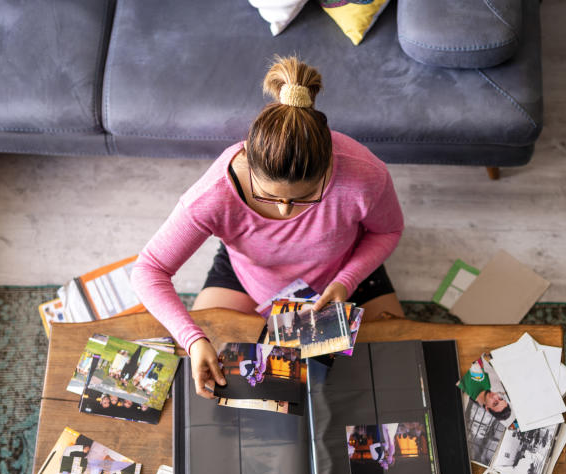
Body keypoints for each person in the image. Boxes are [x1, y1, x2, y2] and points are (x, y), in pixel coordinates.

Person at [132, 56, 405, 399]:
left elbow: (388, 232)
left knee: (389, 378)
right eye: (268, 196)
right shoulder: (213, 195)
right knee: (211, 380)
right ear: (248, 159)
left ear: (330, 166)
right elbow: (148, 270)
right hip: (249, 277)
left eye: (304, 198)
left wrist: (346, 281)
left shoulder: (366, 175)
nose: (285, 210)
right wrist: (193, 339)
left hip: (344, 273)